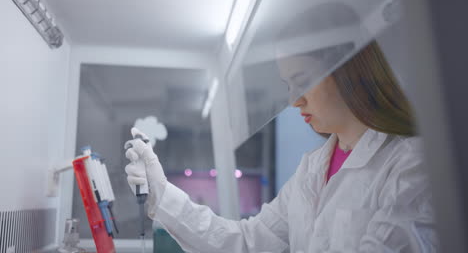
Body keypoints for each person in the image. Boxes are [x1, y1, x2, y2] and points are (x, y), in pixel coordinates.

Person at [124, 41, 438, 252]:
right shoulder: (311, 169)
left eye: (302, 81)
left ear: (347, 71)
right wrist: (161, 194)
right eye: (289, 86)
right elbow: (247, 242)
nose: (293, 100)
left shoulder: (411, 163)